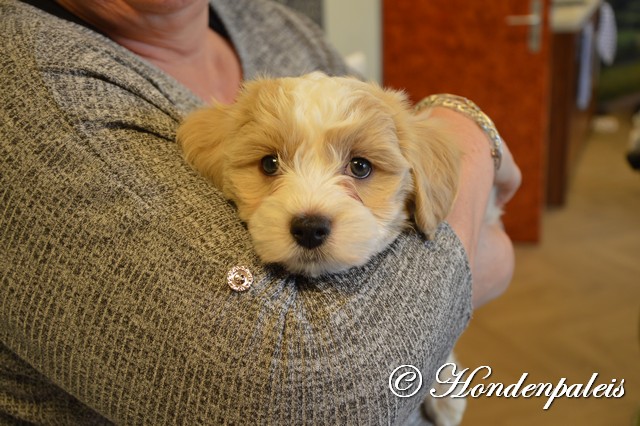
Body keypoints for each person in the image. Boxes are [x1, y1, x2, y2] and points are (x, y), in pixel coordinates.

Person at [0, 0, 521, 424]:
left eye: (360, 167)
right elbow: (297, 392)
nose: (310, 208)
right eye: (271, 164)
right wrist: (472, 254)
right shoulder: (37, 78)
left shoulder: (270, 18)